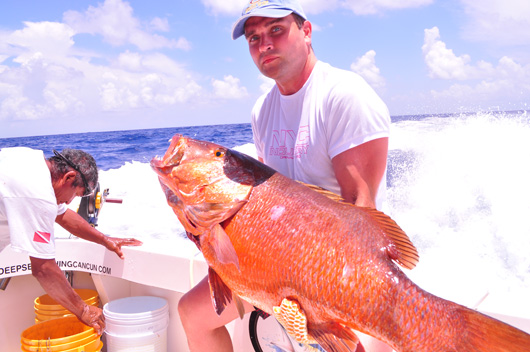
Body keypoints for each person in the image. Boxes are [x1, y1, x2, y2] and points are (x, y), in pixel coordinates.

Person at [178, 0, 392, 351]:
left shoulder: (344, 95)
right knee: (192, 313)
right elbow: (264, 200)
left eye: (276, 30)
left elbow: (361, 209)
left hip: (337, 269)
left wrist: (315, 298)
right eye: (253, 37)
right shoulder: (263, 109)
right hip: (275, 262)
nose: (264, 44)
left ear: (306, 31)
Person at [0, 147, 142, 335]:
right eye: (77, 194)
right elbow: (43, 268)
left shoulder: (31, 161)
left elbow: (63, 216)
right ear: (68, 177)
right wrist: (83, 310)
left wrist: (105, 240)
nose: (70, 201)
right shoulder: (37, 194)